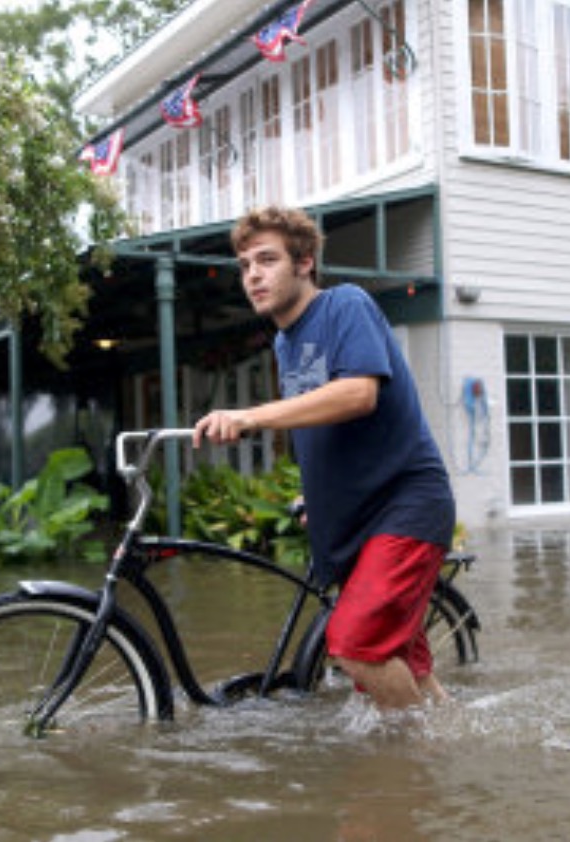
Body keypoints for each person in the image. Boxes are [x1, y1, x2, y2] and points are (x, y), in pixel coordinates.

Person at [192, 206, 456, 710]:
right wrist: (320, 495)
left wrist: (252, 416)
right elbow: (322, 426)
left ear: (305, 262)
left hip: (406, 506)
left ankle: (418, 769)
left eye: (267, 260)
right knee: (406, 666)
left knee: (356, 645)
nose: (253, 275)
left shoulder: (344, 306)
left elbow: (358, 394)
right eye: (245, 265)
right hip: (357, 516)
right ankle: (447, 745)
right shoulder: (285, 341)